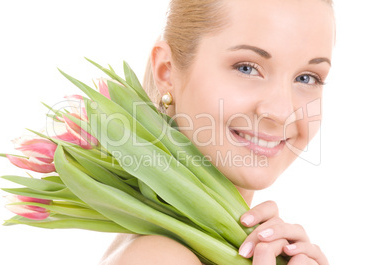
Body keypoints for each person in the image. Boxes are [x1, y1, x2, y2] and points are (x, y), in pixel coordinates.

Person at [100, 0, 335, 264]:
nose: (281, 112)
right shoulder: (159, 257)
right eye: (246, 68)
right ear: (166, 71)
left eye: (307, 78)